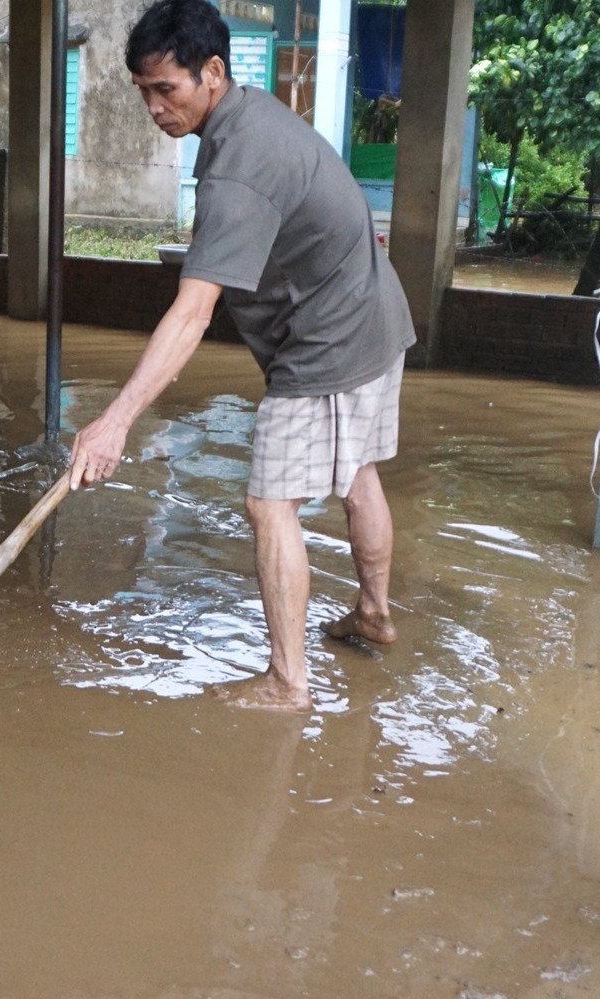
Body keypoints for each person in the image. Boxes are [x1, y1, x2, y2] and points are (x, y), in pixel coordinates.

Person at [66, 0, 416, 712]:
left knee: (267, 502)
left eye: (167, 89)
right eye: (143, 92)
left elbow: (193, 312)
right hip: (377, 315)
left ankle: (289, 683)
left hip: (330, 338)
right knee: (358, 476)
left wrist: (115, 422)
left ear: (214, 71)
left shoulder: (236, 168)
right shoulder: (251, 114)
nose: (154, 108)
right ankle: (375, 615)